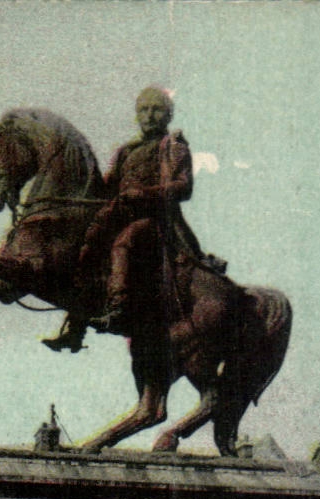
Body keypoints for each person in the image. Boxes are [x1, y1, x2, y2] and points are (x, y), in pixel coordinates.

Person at [45, 86, 211, 353]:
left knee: (125, 242)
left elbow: (183, 187)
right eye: (144, 110)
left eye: (157, 110)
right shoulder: (127, 151)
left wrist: (144, 194)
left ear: (168, 116)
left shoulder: (173, 146)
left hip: (155, 220)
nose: (149, 115)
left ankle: (119, 309)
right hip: (121, 214)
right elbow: (107, 187)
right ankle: (75, 328)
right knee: (85, 246)